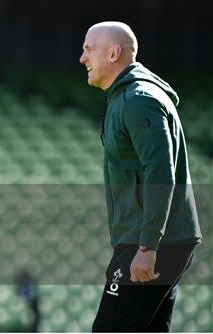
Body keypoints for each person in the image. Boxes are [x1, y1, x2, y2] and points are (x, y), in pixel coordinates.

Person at [79, 22, 202, 332]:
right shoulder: (126, 96)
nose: (82, 58)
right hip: (156, 239)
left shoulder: (139, 99)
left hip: (149, 242)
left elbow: (160, 173)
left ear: (113, 52)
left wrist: (147, 247)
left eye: (87, 49)